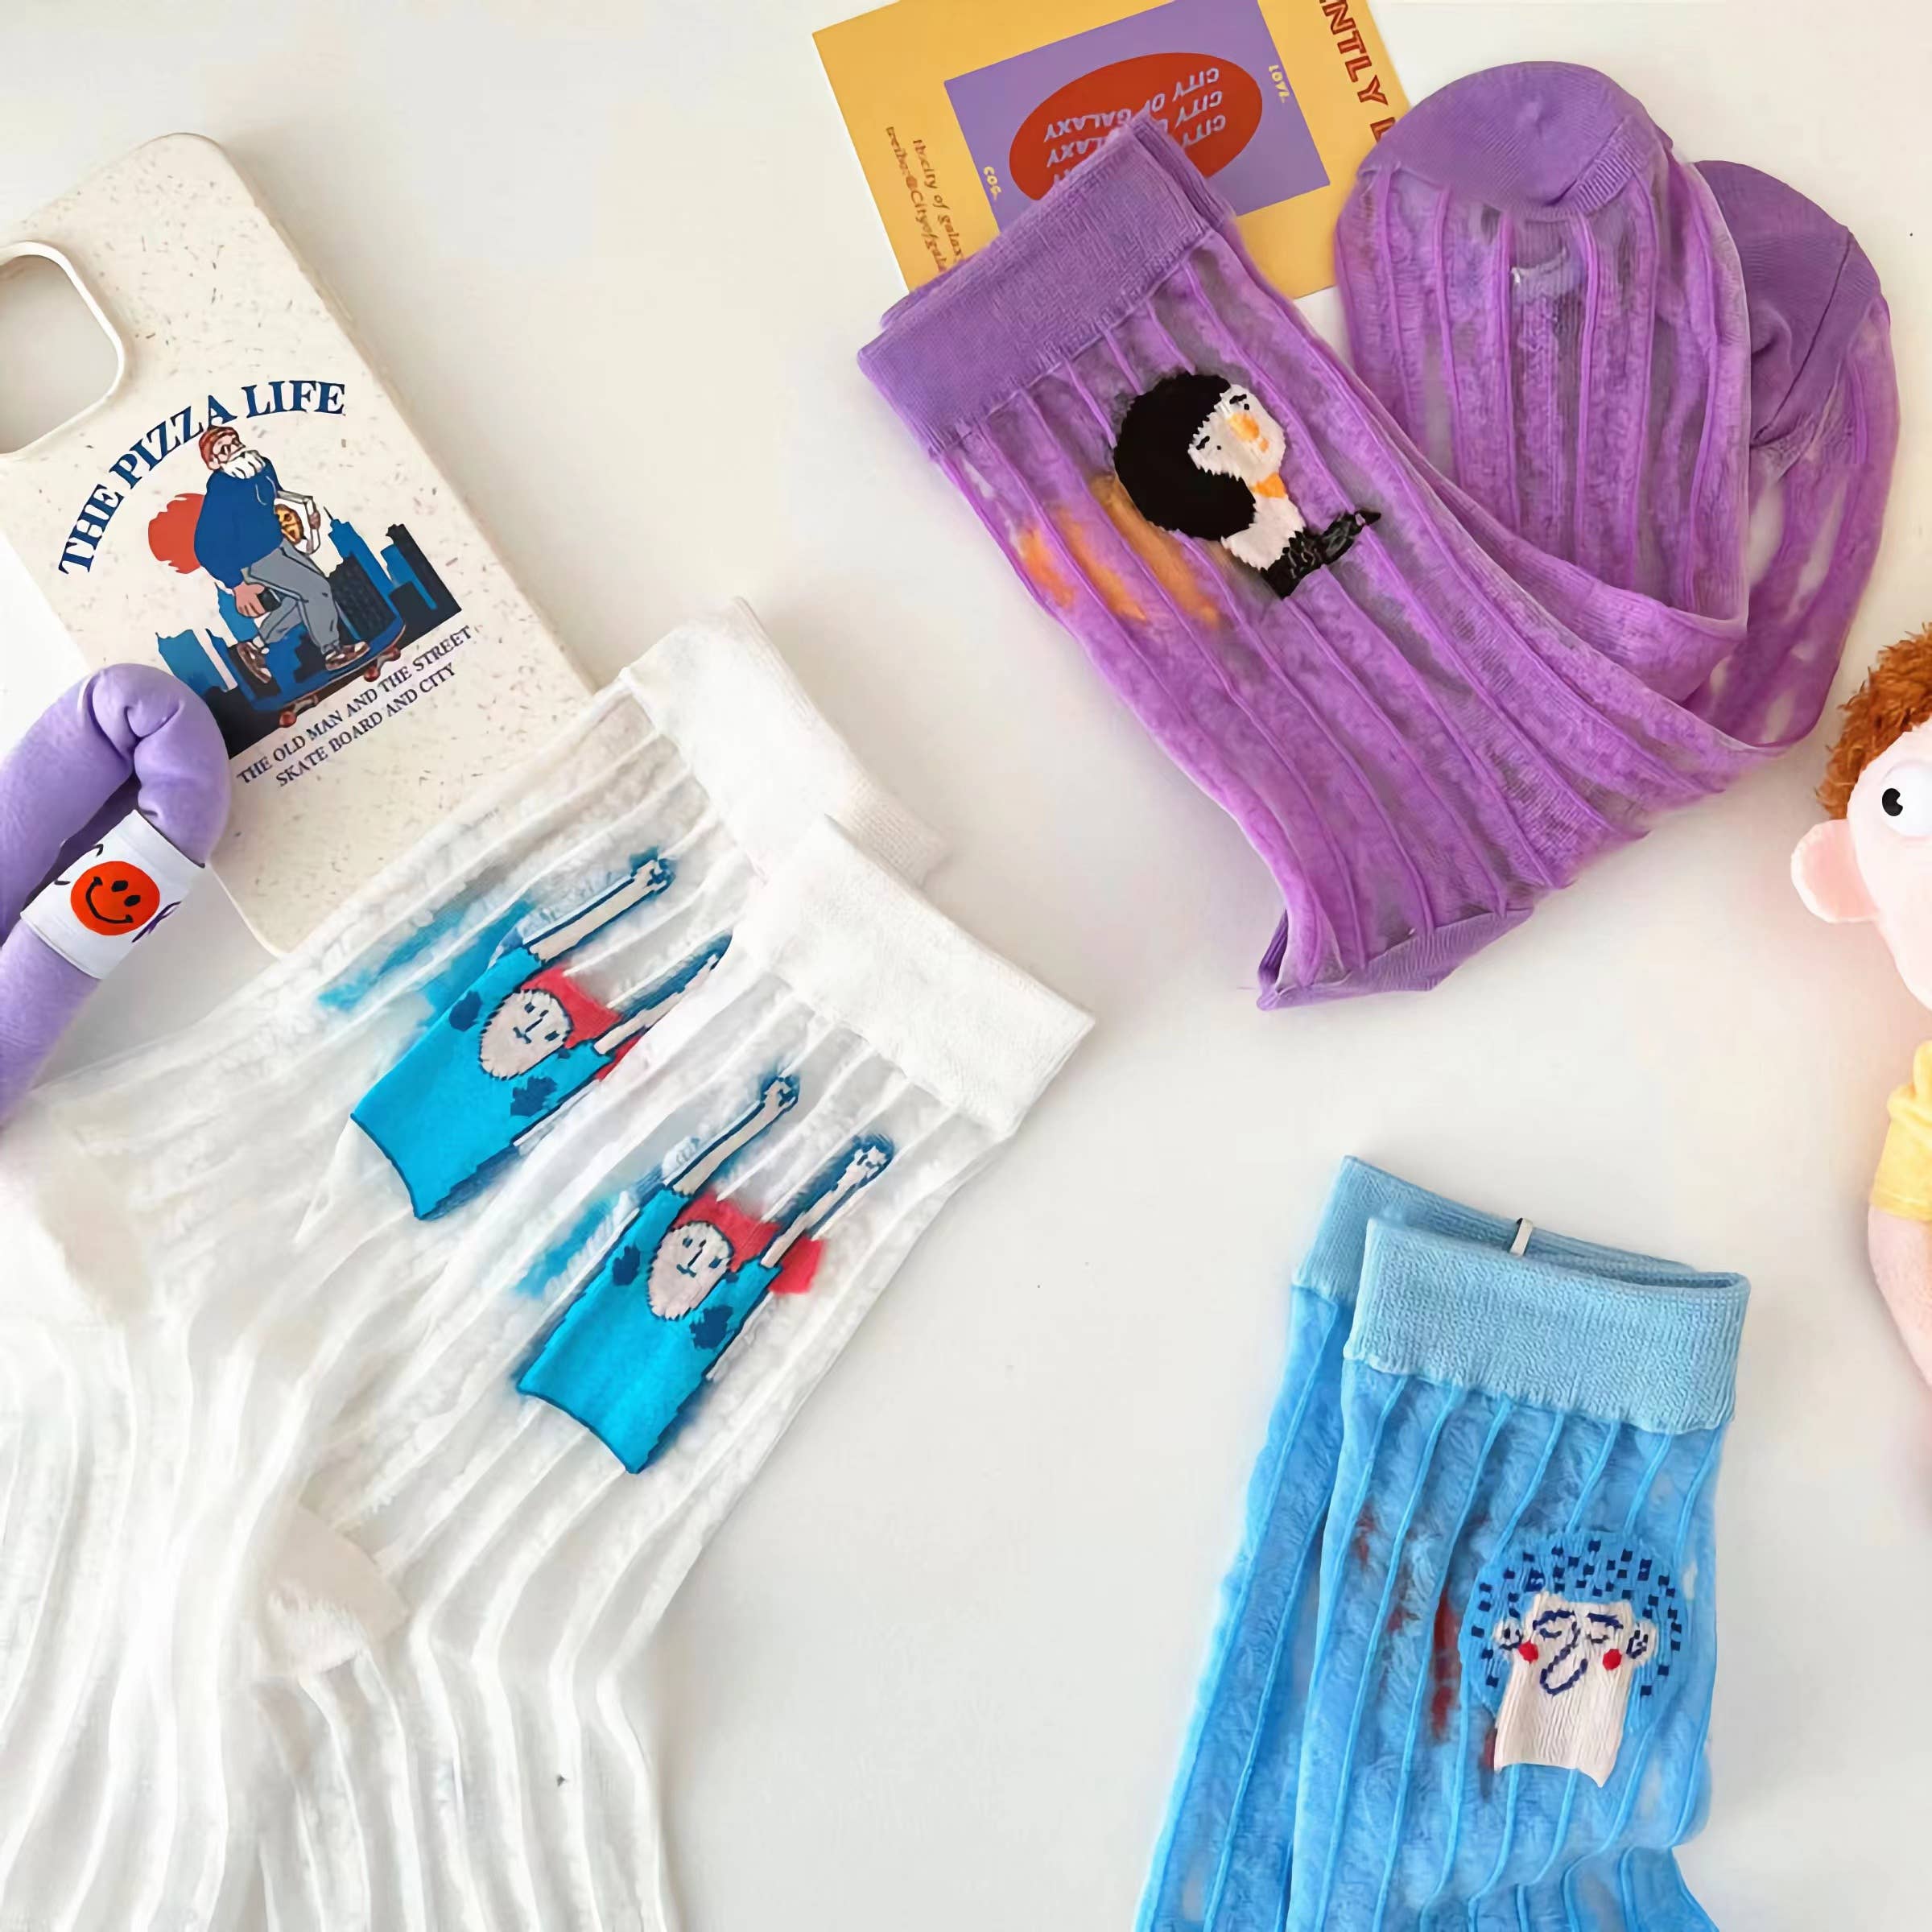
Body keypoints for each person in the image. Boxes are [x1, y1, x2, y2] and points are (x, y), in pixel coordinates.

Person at [518, 1074, 893, 1472]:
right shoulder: (639, 1261)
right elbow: (763, 1229)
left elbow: (782, 1244)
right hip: (583, 1392)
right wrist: (763, 1118)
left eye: (710, 1262)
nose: (696, 1258)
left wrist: (845, 1178)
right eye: (692, 1247)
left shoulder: (698, 1295)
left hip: (612, 1414)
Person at [350, 857, 713, 1216]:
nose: (535, 1025)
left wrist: (632, 890)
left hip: (412, 1148)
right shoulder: (532, 1064)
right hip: (421, 1158)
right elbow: (614, 1038)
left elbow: (542, 953)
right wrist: (633, 893)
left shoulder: (480, 1016)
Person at [191, 423, 353, 668]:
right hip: (254, 559)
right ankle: (332, 653)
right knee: (316, 589)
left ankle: (255, 647)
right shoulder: (220, 493)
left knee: (301, 598)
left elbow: (279, 500)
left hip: (281, 543)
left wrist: (305, 518)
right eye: (224, 449)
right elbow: (205, 546)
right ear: (214, 463)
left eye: (234, 442)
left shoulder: (262, 466)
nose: (233, 449)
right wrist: (237, 585)